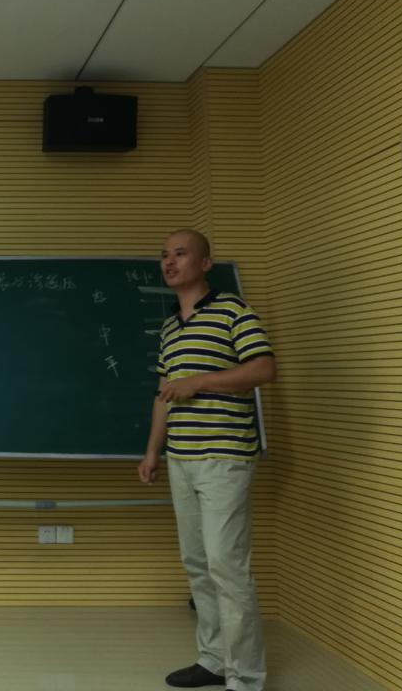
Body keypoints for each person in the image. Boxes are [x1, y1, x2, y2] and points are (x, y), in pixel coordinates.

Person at [138, 229, 276, 691]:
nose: (169, 262)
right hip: (181, 458)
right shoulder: (170, 327)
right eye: (164, 255)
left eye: (180, 254)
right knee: (197, 563)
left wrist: (199, 382)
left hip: (224, 457)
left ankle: (246, 676)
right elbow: (164, 393)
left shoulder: (234, 311)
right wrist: (153, 450)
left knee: (226, 566)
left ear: (205, 263)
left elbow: (264, 368)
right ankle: (214, 659)